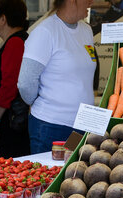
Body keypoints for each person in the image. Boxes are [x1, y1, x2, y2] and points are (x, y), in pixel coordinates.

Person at [18, 0, 95, 154]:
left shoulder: (86, 31)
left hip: (82, 126)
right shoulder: (45, 32)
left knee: (74, 175)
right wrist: (41, 103)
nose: (91, 2)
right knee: (51, 176)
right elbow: (25, 82)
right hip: (51, 127)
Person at [0, 0, 29, 158]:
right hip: (14, 122)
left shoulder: (15, 43)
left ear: (3, 19)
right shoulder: (17, 41)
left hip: (11, 125)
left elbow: (9, 86)